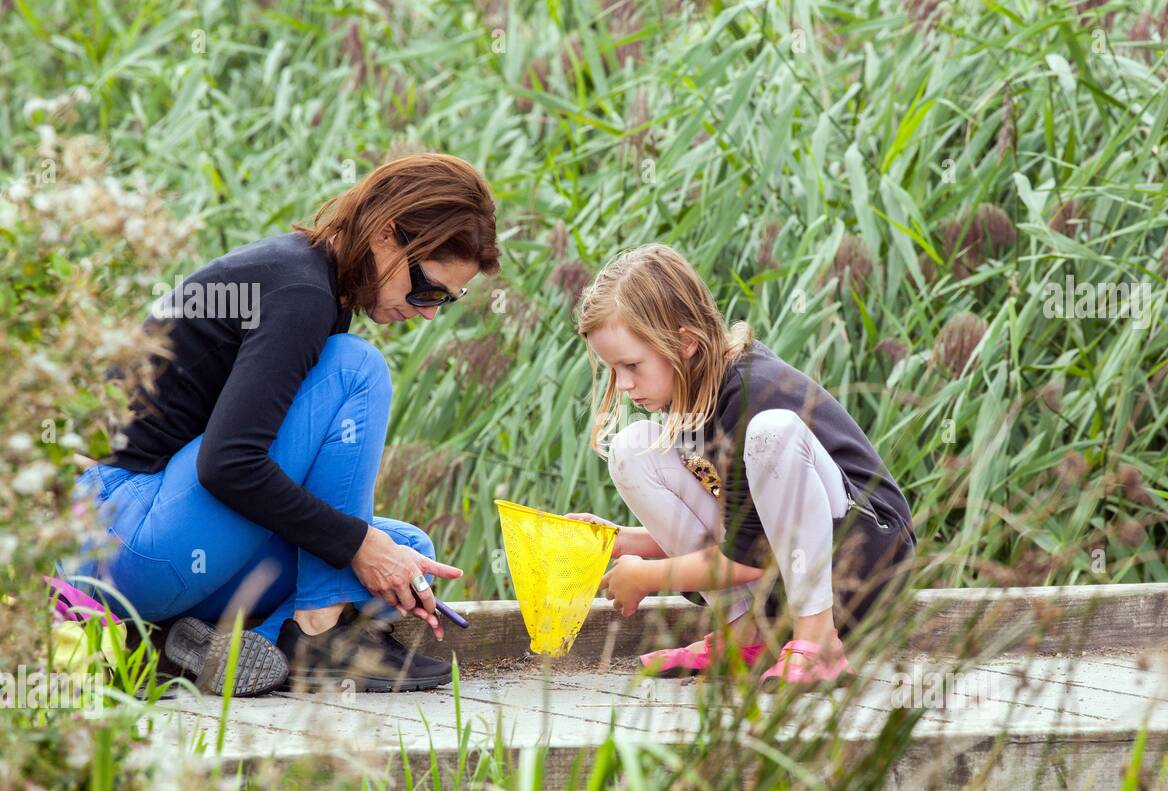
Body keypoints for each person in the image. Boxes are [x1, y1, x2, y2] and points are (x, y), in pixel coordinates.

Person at [62, 153, 498, 696]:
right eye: (428, 289)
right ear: (388, 235)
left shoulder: (315, 286)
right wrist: (357, 543)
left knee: (410, 554)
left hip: (161, 546)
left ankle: (210, 642)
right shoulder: (300, 292)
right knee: (357, 370)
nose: (429, 313)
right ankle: (319, 635)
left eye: (447, 302)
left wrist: (366, 546)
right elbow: (227, 465)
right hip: (122, 535)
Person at [567, 244, 915, 690]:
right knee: (633, 447)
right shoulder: (693, 396)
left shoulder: (753, 392)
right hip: (792, 564)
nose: (625, 384)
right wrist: (614, 542)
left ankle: (818, 642)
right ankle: (746, 632)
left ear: (686, 342)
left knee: (773, 431)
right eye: (614, 369)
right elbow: (748, 522)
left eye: (632, 365)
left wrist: (650, 577)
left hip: (864, 560)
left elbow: (748, 556)